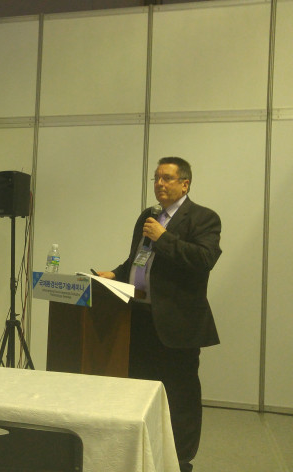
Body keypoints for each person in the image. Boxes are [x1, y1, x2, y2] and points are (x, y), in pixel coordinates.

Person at [96, 156, 221, 472]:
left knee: (179, 394)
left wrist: (164, 238)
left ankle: (181, 459)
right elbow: (137, 260)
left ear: (185, 184)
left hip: (178, 323)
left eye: (167, 178)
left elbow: (203, 259)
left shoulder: (203, 218)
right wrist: (114, 274)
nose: (159, 184)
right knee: (139, 388)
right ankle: (144, 451)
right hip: (138, 318)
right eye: (156, 178)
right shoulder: (148, 216)